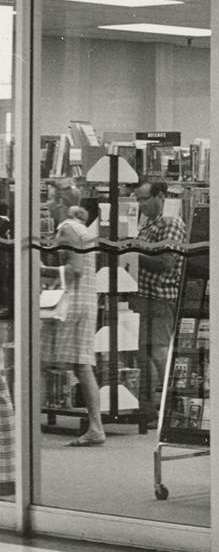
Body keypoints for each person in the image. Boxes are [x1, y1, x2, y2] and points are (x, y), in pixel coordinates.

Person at [42, 181, 106, 446]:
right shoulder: (82, 228)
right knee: (82, 365)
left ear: (59, 203)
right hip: (84, 302)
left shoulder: (66, 228)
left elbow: (75, 268)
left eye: (48, 198)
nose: (45, 204)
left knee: (41, 362)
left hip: (69, 304)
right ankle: (96, 427)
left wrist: (42, 270)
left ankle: (27, 427)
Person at [131, 179, 187, 424]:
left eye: (145, 198)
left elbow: (167, 262)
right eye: (139, 199)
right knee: (142, 354)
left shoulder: (170, 223)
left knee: (159, 353)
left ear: (160, 196)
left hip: (159, 297)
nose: (141, 204)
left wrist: (133, 253)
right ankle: (149, 408)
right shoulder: (148, 223)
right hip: (142, 296)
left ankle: (173, 408)